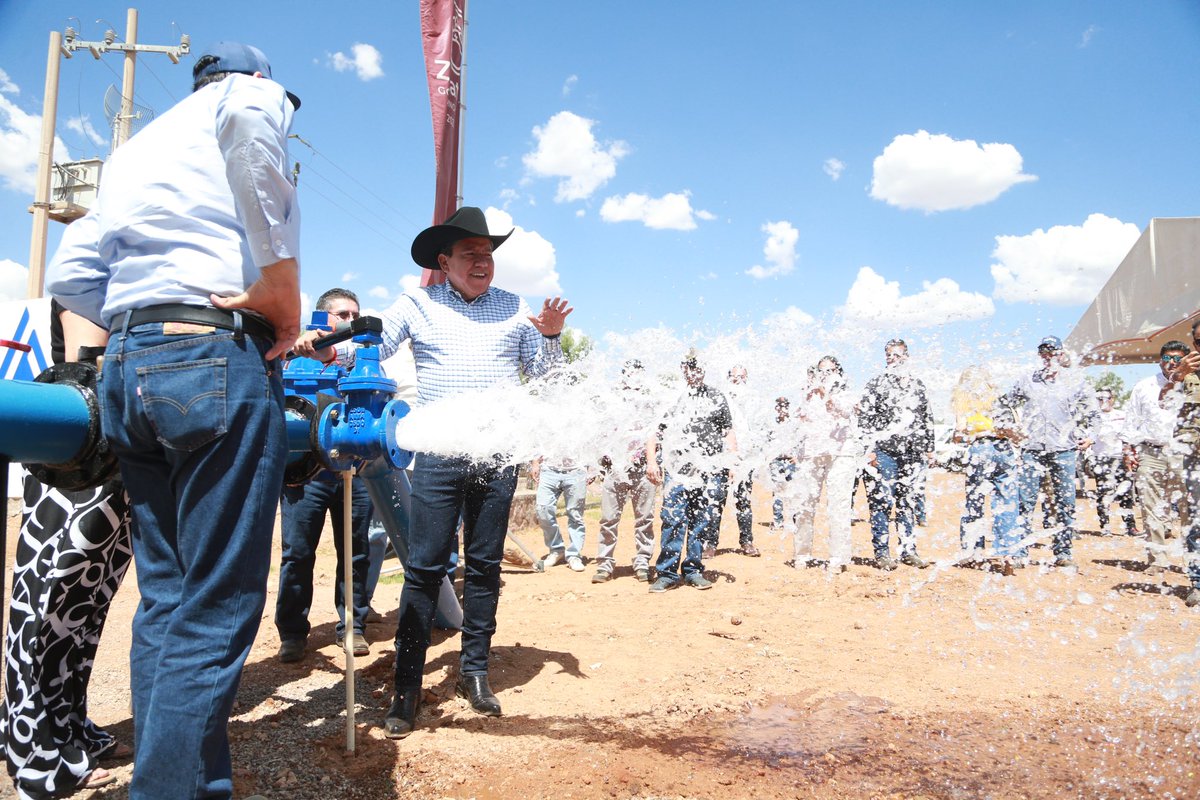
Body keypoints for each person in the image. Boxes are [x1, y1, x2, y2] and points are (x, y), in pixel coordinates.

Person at [46, 41, 300, 799]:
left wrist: (144, 321)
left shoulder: (135, 150)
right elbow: (258, 139)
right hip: (212, 360)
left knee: (169, 597)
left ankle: (193, 785)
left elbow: (70, 274)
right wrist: (279, 288)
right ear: (256, 76)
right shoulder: (248, 99)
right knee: (219, 605)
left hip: (129, 365)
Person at [299, 206, 570, 738]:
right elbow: (368, 346)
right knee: (423, 569)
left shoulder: (516, 309)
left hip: (497, 457)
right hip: (440, 456)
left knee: (485, 565)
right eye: (471, 254)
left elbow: (546, 380)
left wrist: (553, 336)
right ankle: (406, 688)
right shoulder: (417, 303)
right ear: (444, 262)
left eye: (488, 254)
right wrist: (329, 352)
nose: (482, 262)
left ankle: (474, 673)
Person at [0, 307, 132, 797]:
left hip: (118, 456)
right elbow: (88, 367)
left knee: (84, 614)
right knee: (44, 609)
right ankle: (31, 749)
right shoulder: (96, 269)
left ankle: (69, 729)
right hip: (78, 459)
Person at [276, 289, 374, 662]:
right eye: (342, 314)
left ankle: (353, 628)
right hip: (305, 475)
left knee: (355, 553)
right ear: (322, 318)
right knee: (298, 553)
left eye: (355, 313)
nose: (350, 320)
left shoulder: (362, 358)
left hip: (353, 470)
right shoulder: (292, 356)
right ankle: (292, 634)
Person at [1000, 335, 1099, 568]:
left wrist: (1090, 436)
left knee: (1066, 503)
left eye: (1053, 352)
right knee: (1025, 501)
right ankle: (1020, 552)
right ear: (1040, 355)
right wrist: (1010, 429)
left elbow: (1094, 413)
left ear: (1061, 355)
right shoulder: (1027, 379)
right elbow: (1004, 403)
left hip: (1063, 450)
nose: (1048, 357)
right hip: (1031, 450)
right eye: (1044, 353)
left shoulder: (1075, 382)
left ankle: (1063, 553)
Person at [645, 354, 736, 592]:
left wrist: (732, 462)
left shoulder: (716, 396)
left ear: (704, 370)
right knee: (673, 518)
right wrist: (652, 461)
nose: (694, 372)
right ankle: (666, 573)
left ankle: (693, 570)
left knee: (700, 520)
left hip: (709, 468)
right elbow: (654, 431)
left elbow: (728, 432)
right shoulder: (673, 397)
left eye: (698, 368)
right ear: (683, 370)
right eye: (689, 368)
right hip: (678, 469)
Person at [857, 339, 934, 570]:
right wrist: (869, 450)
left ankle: (908, 550)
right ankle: (882, 553)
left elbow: (926, 417)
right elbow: (865, 419)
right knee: (881, 502)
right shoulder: (877, 384)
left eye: (898, 355)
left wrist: (930, 448)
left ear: (906, 357)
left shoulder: (917, 385)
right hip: (884, 452)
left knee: (907, 503)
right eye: (889, 355)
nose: (893, 358)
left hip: (912, 453)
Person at [1121, 341, 1192, 574]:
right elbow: (1132, 419)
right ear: (1159, 360)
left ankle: (1192, 562)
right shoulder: (1144, 386)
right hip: (1150, 451)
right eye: (1168, 358)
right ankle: (1157, 559)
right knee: (1150, 506)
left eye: (1177, 359)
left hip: (1185, 453)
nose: (1172, 363)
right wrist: (1128, 450)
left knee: (1188, 508)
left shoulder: (1192, 384)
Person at [789, 356, 860, 573]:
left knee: (838, 506)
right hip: (811, 454)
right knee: (804, 505)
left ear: (839, 372)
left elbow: (845, 412)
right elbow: (799, 420)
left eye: (830, 371)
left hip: (841, 454)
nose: (826, 375)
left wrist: (825, 393)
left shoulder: (847, 393)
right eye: (822, 371)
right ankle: (802, 554)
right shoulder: (808, 393)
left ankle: (838, 558)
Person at [951, 365, 1021, 573]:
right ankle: (1008, 552)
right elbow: (1016, 430)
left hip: (979, 448)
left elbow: (959, 433)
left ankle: (974, 553)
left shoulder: (963, 398)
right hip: (1003, 449)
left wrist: (974, 434)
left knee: (974, 503)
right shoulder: (1000, 397)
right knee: (1008, 502)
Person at [593, 360, 658, 583]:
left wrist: (652, 462)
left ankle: (642, 562)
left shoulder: (648, 403)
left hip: (641, 468)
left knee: (645, 518)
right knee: (609, 518)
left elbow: (651, 433)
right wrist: (596, 465)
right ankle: (604, 564)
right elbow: (601, 434)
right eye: (629, 374)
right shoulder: (612, 403)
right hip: (615, 468)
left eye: (637, 375)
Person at [703, 365, 761, 557]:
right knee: (715, 500)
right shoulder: (719, 398)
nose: (737, 380)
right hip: (721, 457)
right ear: (728, 377)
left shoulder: (752, 400)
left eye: (742, 377)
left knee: (743, 500)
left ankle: (747, 541)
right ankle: (710, 544)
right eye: (734, 376)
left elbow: (758, 430)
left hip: (744, 458)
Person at [1172, 321, 1200, 607]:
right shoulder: (1184, 374)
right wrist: (1177, 376)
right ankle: (1198, 582)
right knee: (1195, 520)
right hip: (1194, 457)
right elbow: (1161, 403)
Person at [1091, 387, 1136, 536]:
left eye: (1107, 398)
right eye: (1100, 398)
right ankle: (1105, 527)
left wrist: (1129, 456)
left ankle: (1130, 526)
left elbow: (1128, 436)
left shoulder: (1122, 415)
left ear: (1113, 399)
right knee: (1104, 493)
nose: (1104, 401)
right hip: (1102, 458)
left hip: (1120, 458)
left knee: (1126, 493)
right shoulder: (1093, 417)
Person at [532, 454, 589, 571]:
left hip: (577, 470)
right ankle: (556, 549)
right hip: (549, 470)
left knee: (575, 514)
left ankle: (574, 555)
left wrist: (592, 469)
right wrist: (535, 462)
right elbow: (537, 439)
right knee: (543, 510)